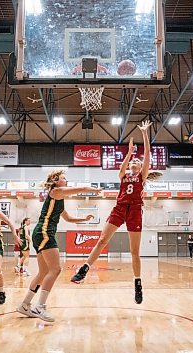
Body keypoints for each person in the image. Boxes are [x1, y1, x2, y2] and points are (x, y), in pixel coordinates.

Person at [70, 121, 161, 305]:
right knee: (102, 240)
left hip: (135, 210)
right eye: (133, 161)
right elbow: (122, 168)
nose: (135, 162)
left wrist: (144, 134)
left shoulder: (141, 176)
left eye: (137, 161)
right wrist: (129, 152)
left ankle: (137, 283)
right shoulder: (123, 175)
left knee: (134, 251)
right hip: (119, 208)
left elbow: (148, 155)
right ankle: (85, 269)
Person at [16, 170, 101, 322]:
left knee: (43, 273)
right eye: (63, 178)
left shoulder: (58, 199)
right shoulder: (56, 191)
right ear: (56, 181)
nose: (66, 180)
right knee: (55, 269)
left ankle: (25, 304)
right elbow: (80, 189)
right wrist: (93, 189)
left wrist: (84, 219)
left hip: (41, 233)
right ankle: (40, 306)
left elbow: (68, 219)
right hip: (44, 232)